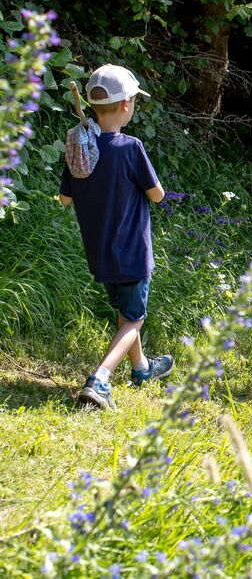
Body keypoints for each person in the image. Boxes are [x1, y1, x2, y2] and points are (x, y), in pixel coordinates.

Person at [59, 64, 174, 409]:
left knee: (126, 311)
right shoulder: (130, 147)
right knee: (135, 318)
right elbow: (158, 195)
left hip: (101, 253)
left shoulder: (81, 148)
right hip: (133, 252)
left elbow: (65, 198)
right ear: (126, 105)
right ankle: (100, 379)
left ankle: (141, 369)